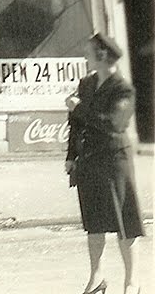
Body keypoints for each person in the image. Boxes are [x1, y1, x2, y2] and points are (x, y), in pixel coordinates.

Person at [65, 32, 144, 294]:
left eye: (89, 51)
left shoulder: (123, 89)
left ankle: (132, 281)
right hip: (89, 161)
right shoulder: (86, 84)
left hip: (115, 161)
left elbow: (113, 125)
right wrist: (70, 156)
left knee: (124, 223)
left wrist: (79, 108)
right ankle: (96, 278)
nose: (85, 56)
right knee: (94, 224)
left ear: (102, 56)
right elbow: (75, 124)